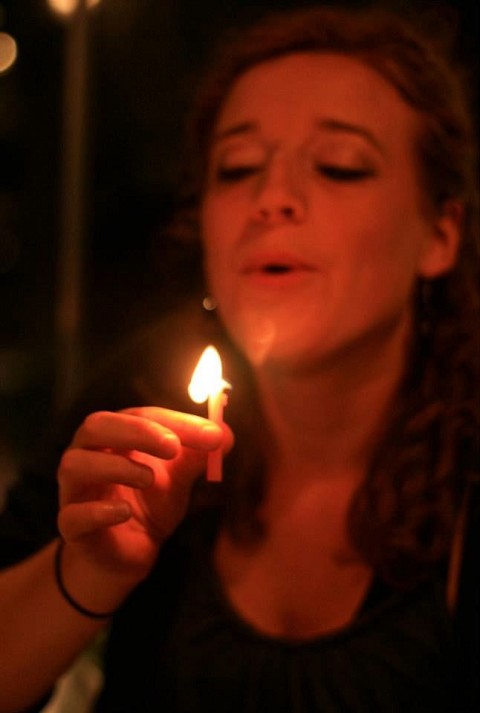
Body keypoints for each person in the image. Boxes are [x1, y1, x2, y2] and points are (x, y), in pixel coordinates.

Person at [0, 4, 478, 711]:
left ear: (440, 233)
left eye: (340, 167)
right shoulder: (143, 396)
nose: (270, 198)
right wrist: (86, 572)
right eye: (238, 167)